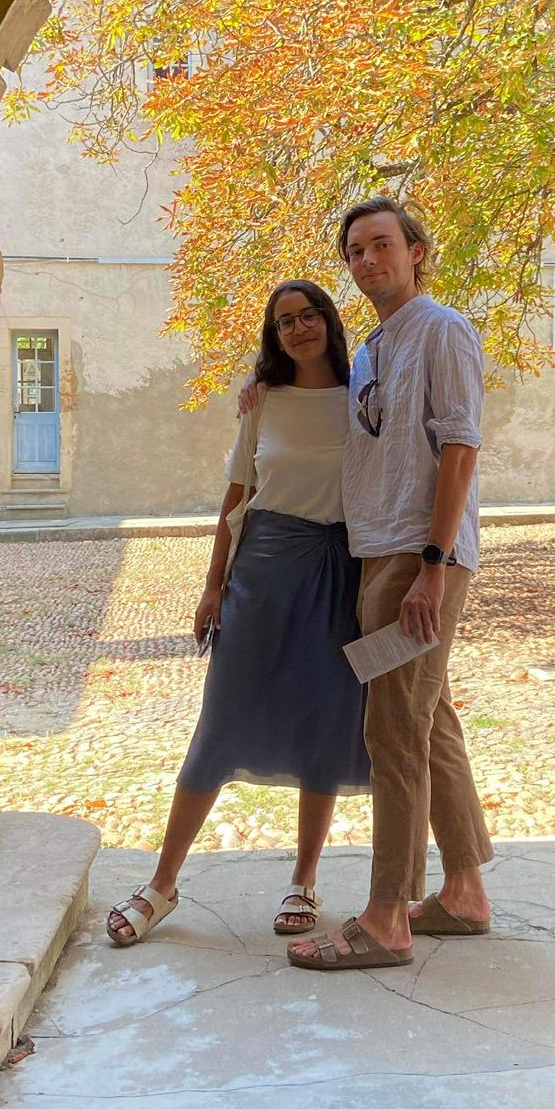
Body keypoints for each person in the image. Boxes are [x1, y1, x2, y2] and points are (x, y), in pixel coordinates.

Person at [105, 282, 371, 947]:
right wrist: (211, 585)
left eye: (309, 314)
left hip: (337, 571)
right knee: (220, 722)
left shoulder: (365, 395)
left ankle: (304, 880)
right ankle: (161, 885)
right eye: (284, 322)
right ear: (274, 336)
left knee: (322, 721)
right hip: (262, 568)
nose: (298, 328)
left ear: (329, 322)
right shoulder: (263, 402)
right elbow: (237, 493)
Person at [287, 197, 494, 972]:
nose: (367, 260)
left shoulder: (442, 329)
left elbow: (461, 449)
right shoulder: (375, 346)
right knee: (429, 720)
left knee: (393, 733)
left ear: (416, 252)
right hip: (380, 553)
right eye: (354, 251)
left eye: (381, 245)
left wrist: (433, 567)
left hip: (418, 556)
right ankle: (465, 891)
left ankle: (386, 917)